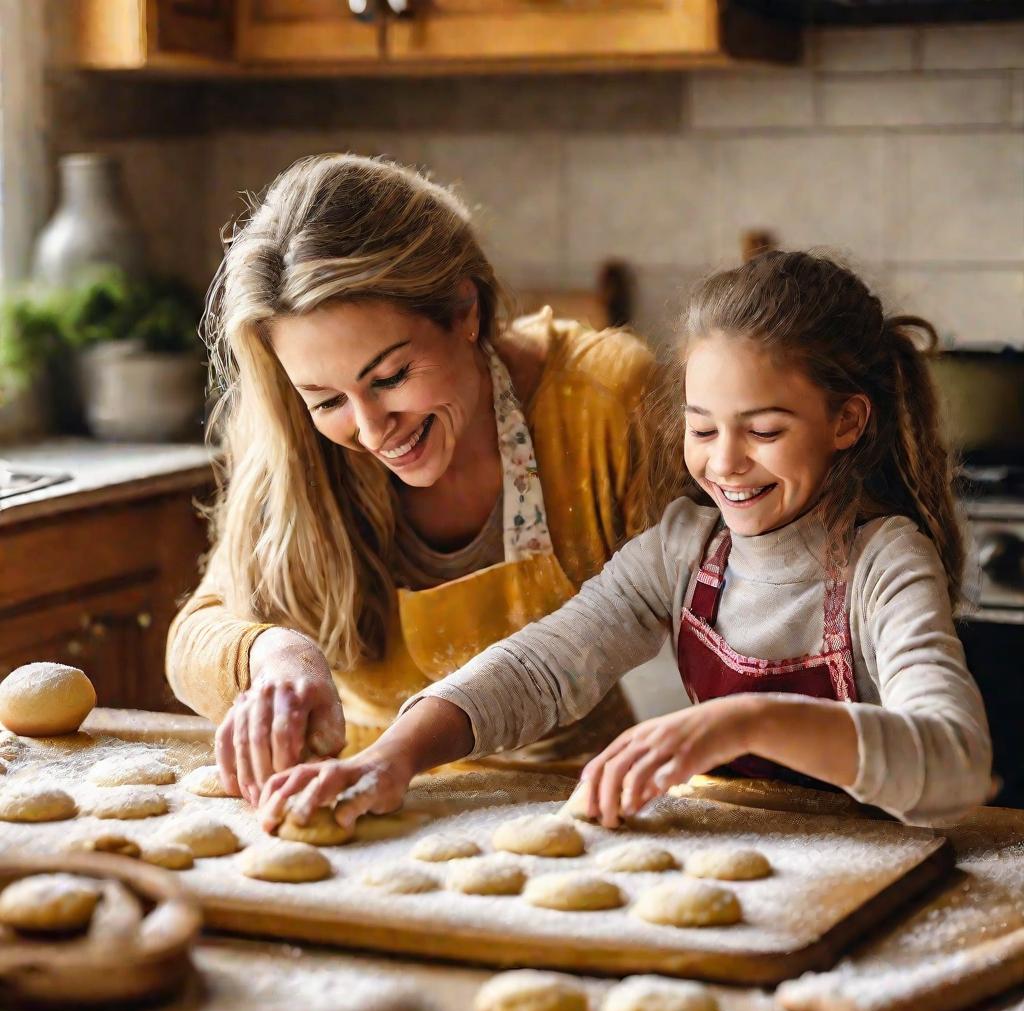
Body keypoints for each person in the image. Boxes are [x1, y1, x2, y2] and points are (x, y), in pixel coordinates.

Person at [258, 250, 993, 834]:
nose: (726, 462)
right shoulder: (684, 550)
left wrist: (748, 718)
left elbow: (957, 765)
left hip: (876, 887)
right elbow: (543, 665)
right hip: (747, 871)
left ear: (847, 421)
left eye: (764, 430)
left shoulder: (884, 565)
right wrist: (395, 756)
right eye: (703, 428)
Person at [165, 153, 667, 806]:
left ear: (465, 309)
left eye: (391, 377)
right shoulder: (290, 440)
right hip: (352, 797)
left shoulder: (604, 401)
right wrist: (274, 658)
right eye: (328, 400)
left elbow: (718, 608)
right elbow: (193, 635)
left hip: (575, 795)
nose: (373, 432)